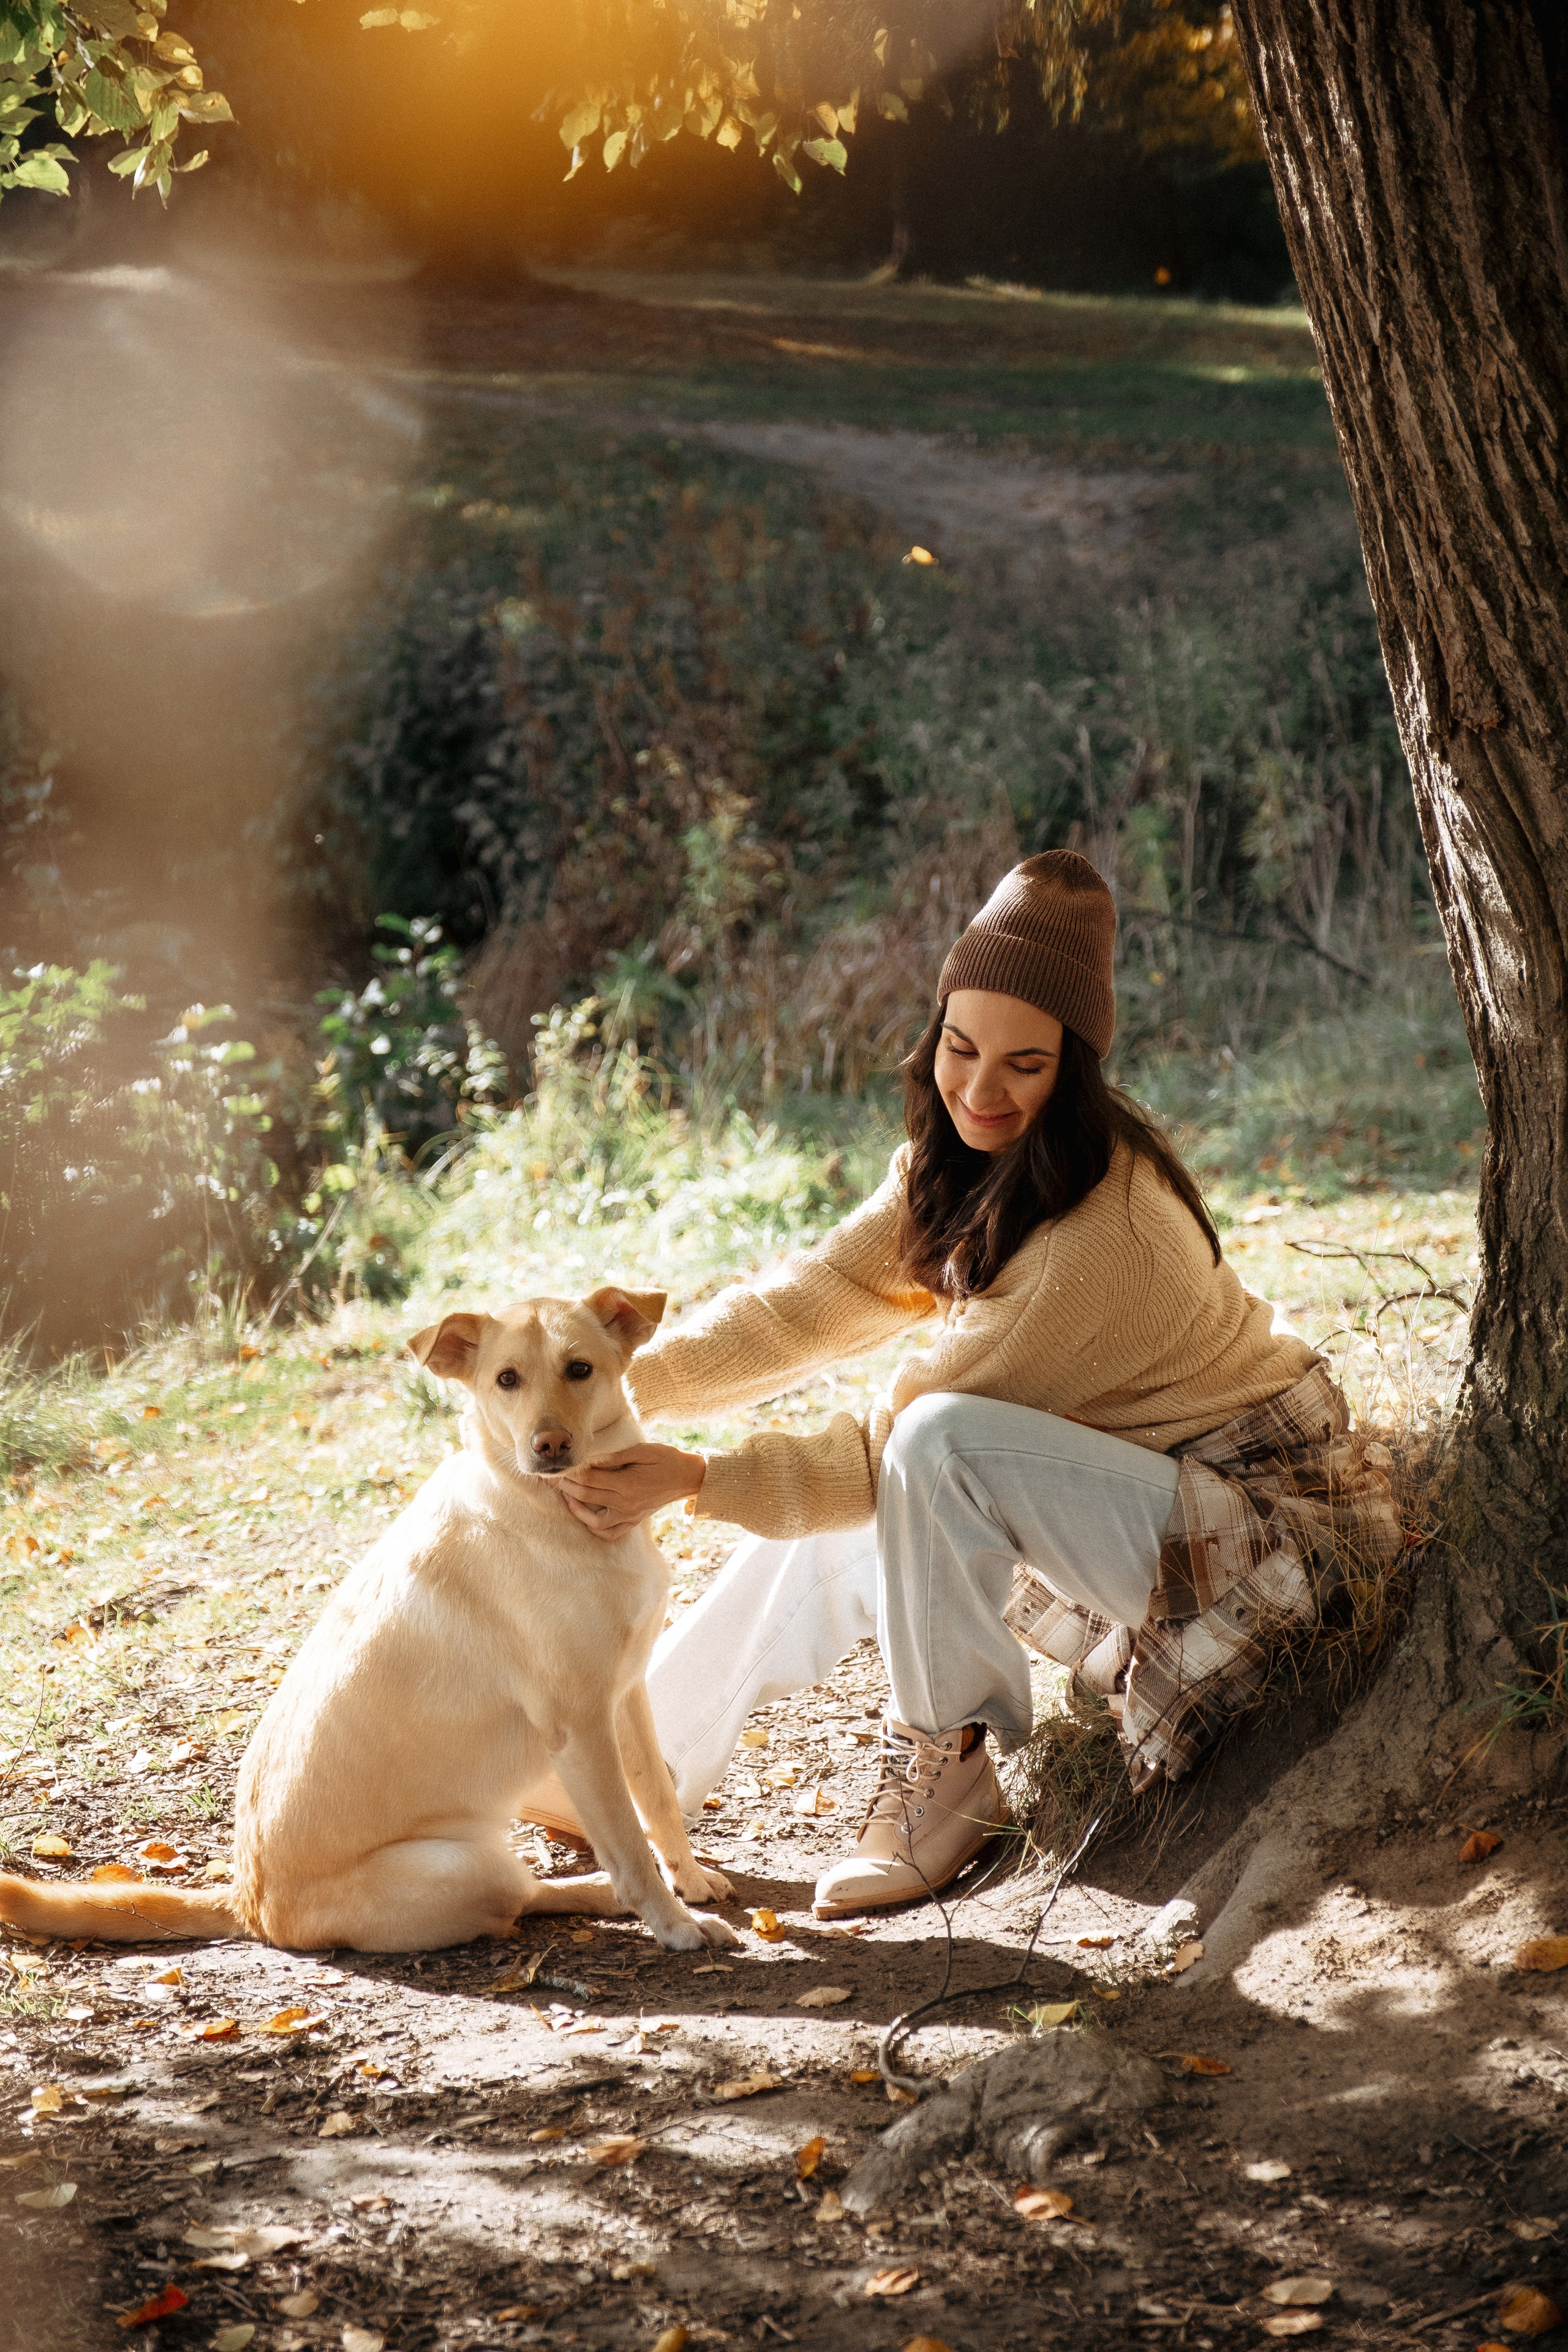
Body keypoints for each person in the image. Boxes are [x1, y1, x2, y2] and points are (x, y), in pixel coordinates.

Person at [557, 852, 1400, 1918]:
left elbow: (893, 1453)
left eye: (1025, 1065)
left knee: (931, 1447)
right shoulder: (955, 1158)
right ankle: (647, 1768)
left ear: (1075, 1068)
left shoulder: (1102, 1231)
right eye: (961, 1048)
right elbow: (811, 1300)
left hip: (1249, 1536)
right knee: (870, 1506)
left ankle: (949, 1771)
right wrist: (609, 1382)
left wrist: (691, 1478)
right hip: (1133, 1495)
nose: (981, 1090)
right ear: (937, 1032)